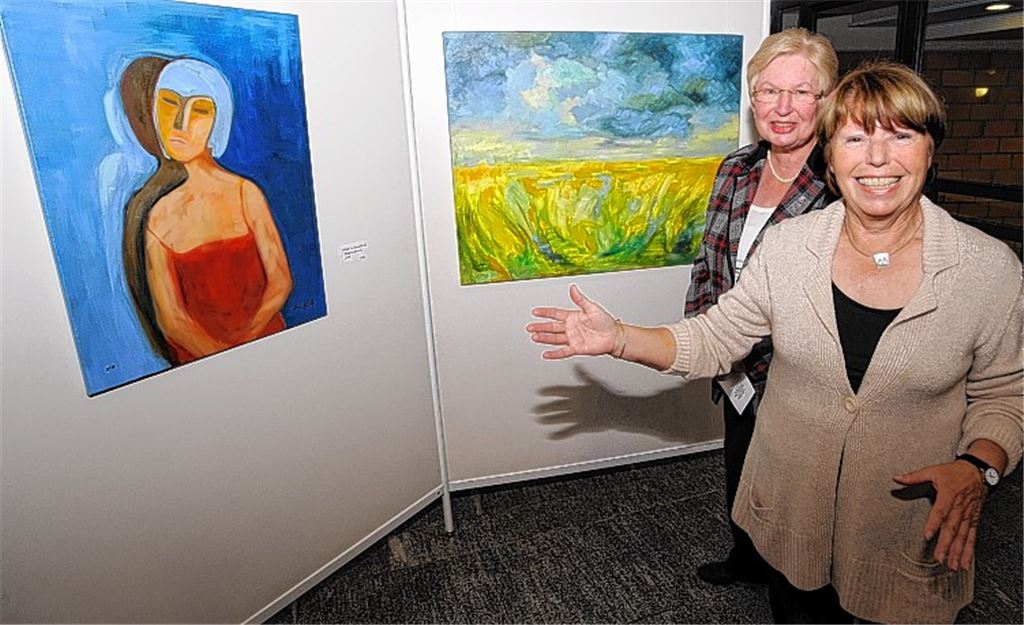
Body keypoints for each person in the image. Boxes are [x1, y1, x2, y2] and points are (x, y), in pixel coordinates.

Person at [527, 60, 1022, 624]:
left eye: (900, 136)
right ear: (831, 158)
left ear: (930, 151)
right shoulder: (788, 247)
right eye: (855, 138)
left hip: (907, 527)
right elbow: (716, 338)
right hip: (795, 514)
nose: (877, 159)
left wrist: (978, 467)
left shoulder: (987, 269)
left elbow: (1007, 393)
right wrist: (618, 338)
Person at [683, 28, 838, 587]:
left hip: (802, 376)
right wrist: (705, 342)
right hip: (735, 363)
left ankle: (798, 582)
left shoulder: (842, 182)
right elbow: (709, 261)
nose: (782, 107)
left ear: (826, 99)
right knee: (740, 465)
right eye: (768, 91)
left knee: (802, 496)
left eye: (801, 93)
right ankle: (745, 557)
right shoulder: (735, 169)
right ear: (752, 99)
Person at [121, 57, 293, 366]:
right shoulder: (156, 217)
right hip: (202, 368)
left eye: (199, 109)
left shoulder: (245, 194)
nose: (180, 123)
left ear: (218, 121)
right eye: (169, 104)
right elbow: (171, 319)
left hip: (270, 346)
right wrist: (222, 357)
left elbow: (280, 280)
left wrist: (247, 341)